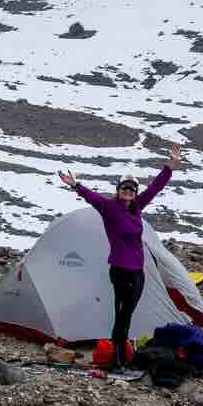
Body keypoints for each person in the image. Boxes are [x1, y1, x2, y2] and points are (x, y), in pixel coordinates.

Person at [59, 147, 184, 373]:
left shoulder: (136, 208)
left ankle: (121, 355)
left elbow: (155, 188)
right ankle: (118, 359)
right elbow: (92, 197)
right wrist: (75, 185)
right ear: (118, 190)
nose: (129, 192)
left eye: (132, 189)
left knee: (127, 313)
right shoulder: (109, 207)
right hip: (120, 270)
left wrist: (169, 166)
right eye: (125, 188)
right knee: (122, 314)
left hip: (138, 272)